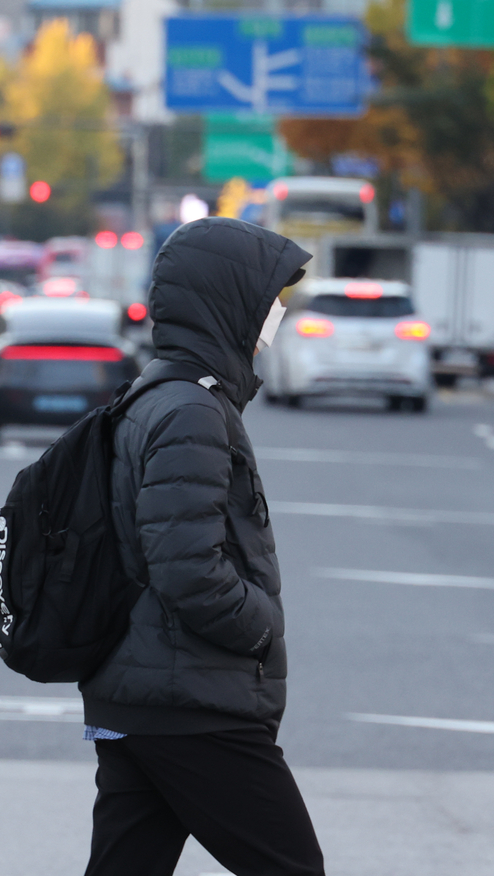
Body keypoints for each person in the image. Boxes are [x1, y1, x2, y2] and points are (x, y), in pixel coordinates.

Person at [80, 217, 323, 876]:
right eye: (268, 300)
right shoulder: (191, 409)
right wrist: (260, 626)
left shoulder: (157, 395)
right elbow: (186, 568)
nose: (275, 316)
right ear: (227, 303)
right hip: (191, 704)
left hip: (141, 695)